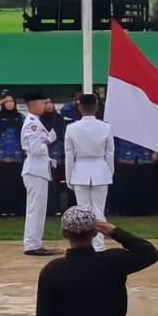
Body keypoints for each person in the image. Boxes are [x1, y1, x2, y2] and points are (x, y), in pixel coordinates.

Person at [35, 206, 158, 316]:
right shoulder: (112, 262)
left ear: (64, 233)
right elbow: (148, 252)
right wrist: (115, 231)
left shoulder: (52, 271)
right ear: (95, 232)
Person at [64, 92, 114, 251]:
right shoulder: (106, 127)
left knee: (83, 210)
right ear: (97, 107)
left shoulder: (71, 128)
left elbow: (69, 156)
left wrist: (69, 176)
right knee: (99, 209)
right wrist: (109, 172)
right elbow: (110, 153)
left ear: (79, 108)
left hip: (80, 170)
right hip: (101, 168)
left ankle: (85, 246)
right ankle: (99, 246)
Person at [21, 94, 57, 256]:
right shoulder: (33, 124)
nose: (45, 106)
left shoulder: (36, 122)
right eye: (43, 103)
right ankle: (32, 244)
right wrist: (50, 139)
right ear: (34, 105)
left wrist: (49, 159)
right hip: (35, 170)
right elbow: (36, 149)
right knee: (36, 208)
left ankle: (34, 242)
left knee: (37, 208)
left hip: (38, 168)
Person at [0, 94, 26, 217]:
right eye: (6, 102)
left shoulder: (21, 117)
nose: (9, 104)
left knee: (16, 185)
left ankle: (15, 210)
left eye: (11, 101)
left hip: (16, 156)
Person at [110, 135, 158, 217]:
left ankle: (146, 209)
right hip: (124, 152)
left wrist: (156, 151)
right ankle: (123, 209)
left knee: (144, 183)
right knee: (125, 183)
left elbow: (154, 135)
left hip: (144, 154)